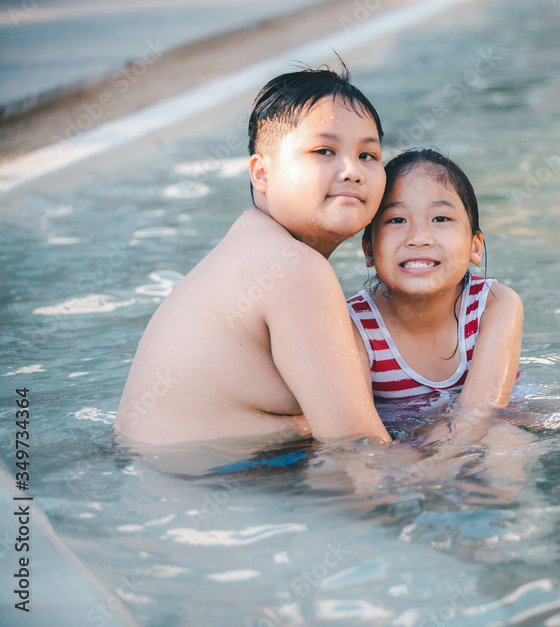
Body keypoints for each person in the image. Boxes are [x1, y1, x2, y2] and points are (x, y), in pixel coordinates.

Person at [114, 67, 391, 446]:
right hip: (212, 485)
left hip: (172, 479)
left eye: (368, 155)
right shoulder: (294, 269)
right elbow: (356, 445)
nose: (352, 171)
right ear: (261, 173)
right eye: (324, 150)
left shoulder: (251, 249)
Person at [347, 149, 523, 443]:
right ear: (368, 249)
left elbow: (481, 413)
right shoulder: (353, 325)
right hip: (405, 441)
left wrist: (437, 463)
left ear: (475, 247)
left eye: (440, 218)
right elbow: (361, 435)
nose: (419, 237)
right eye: (396, 220)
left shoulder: (494, 304)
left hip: (499, 417)